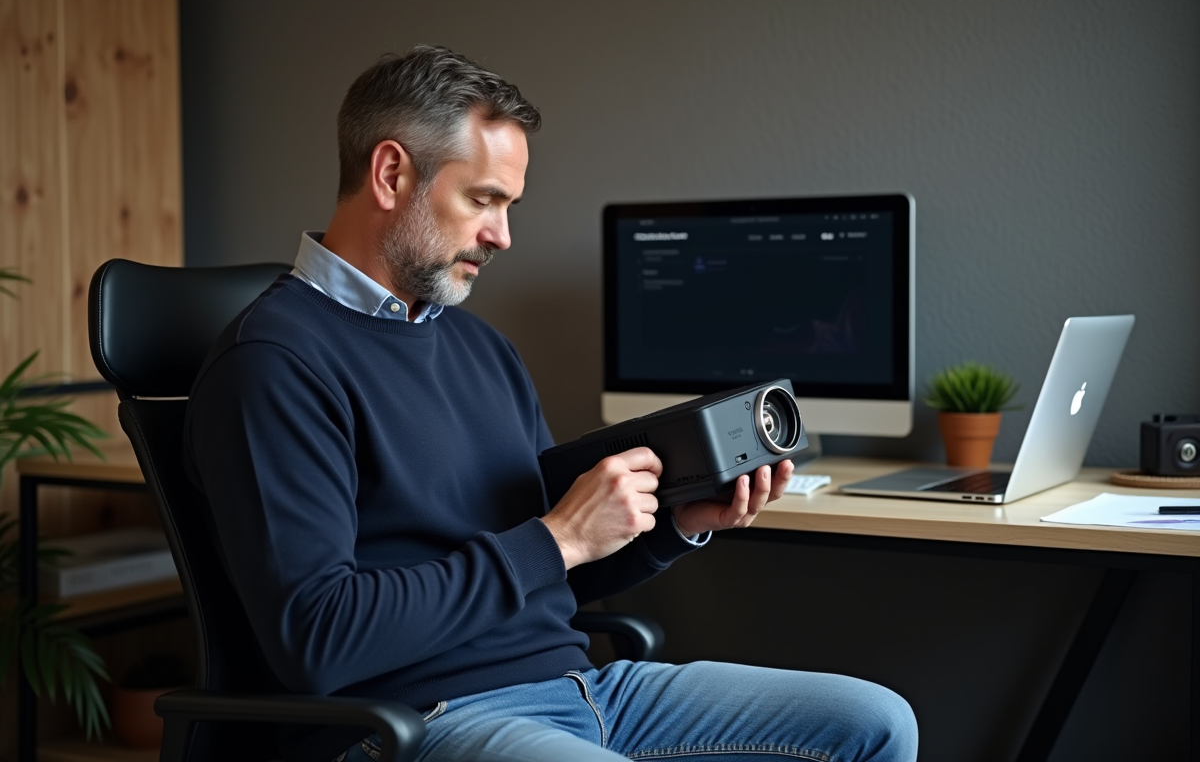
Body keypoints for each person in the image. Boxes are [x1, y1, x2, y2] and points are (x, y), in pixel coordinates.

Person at [184, 45, 918, 762]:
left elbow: (550, 573)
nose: (502, 234)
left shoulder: (482, 349)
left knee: (876, 723)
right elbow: (319, 639)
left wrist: (673, 526)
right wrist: (556, 537)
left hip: (584, 692)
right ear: (390, 174)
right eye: (484, 199)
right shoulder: (275, 364)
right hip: (412, 721)